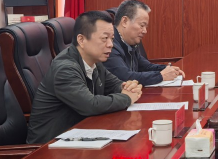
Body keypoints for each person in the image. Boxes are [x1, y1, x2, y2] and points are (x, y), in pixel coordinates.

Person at [27, 10, 143, 144]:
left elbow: (115, 84)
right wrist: (127, 98)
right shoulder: (65, 69)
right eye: (104, 38)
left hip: (77, 137)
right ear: (81, 40)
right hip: (48, 146)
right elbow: (90, 105)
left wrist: (129, 87)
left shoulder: (95, 62)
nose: (110, 44)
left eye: (112, 39)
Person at [104, 0, 184, 86]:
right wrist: (160, 76)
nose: (145, 31)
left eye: (146, 27)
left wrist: (168, 69)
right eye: (142, 25)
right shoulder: (109, 45)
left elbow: (146, 67)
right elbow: (125, 76)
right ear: (125, 21)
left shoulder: (130, 43)